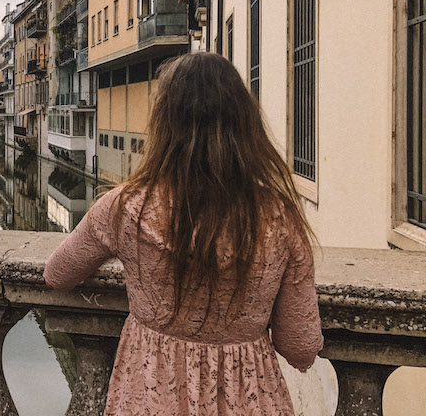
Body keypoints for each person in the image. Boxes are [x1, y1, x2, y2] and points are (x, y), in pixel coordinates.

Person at [44, 53, 322, 415]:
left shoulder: (126, 207)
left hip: (151, 392)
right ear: (245, 124)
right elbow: (299, 346)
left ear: (164, 123)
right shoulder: (279, 218)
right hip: (247, 397)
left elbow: (57, 274)